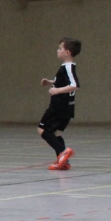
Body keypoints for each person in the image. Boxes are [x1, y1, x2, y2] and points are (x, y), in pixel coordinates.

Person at [38, 37, 82, 171]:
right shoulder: (67, 67)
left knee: (42, 130)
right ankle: (64, 162)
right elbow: (64, 82)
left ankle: (63, 152)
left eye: (60, 48)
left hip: (58, 107)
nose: (57, 50)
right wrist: (50, 82)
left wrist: (57, 90)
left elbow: (75, 85)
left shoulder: (68, 67)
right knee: (56, 133)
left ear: (67, 52)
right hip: (66, 108)